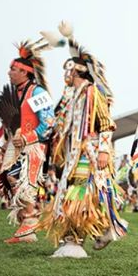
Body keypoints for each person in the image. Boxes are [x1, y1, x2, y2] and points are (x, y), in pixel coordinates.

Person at [39, 22, 127, 257]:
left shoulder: (91, 92)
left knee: (79, 195)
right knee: (74, 193)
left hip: (89, 151)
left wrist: (104, 150)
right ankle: (103, 229)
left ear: (77, 71)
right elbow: (62, 125)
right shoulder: (71, 95)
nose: (65, 75)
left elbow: (106, 122)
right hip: (73, 153)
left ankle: (76, 239)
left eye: (68, 70)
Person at [0, 33, 59, 243]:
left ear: (25, 72)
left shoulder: (37, 91)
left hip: (35, 147)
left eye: (13, 69)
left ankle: (30, 223)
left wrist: (27, 137)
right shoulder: (18, 93)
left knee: (20, 181)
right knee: (12, 178)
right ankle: (27, 226)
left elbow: (49, 122)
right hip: (20, 146)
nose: (9, 72)